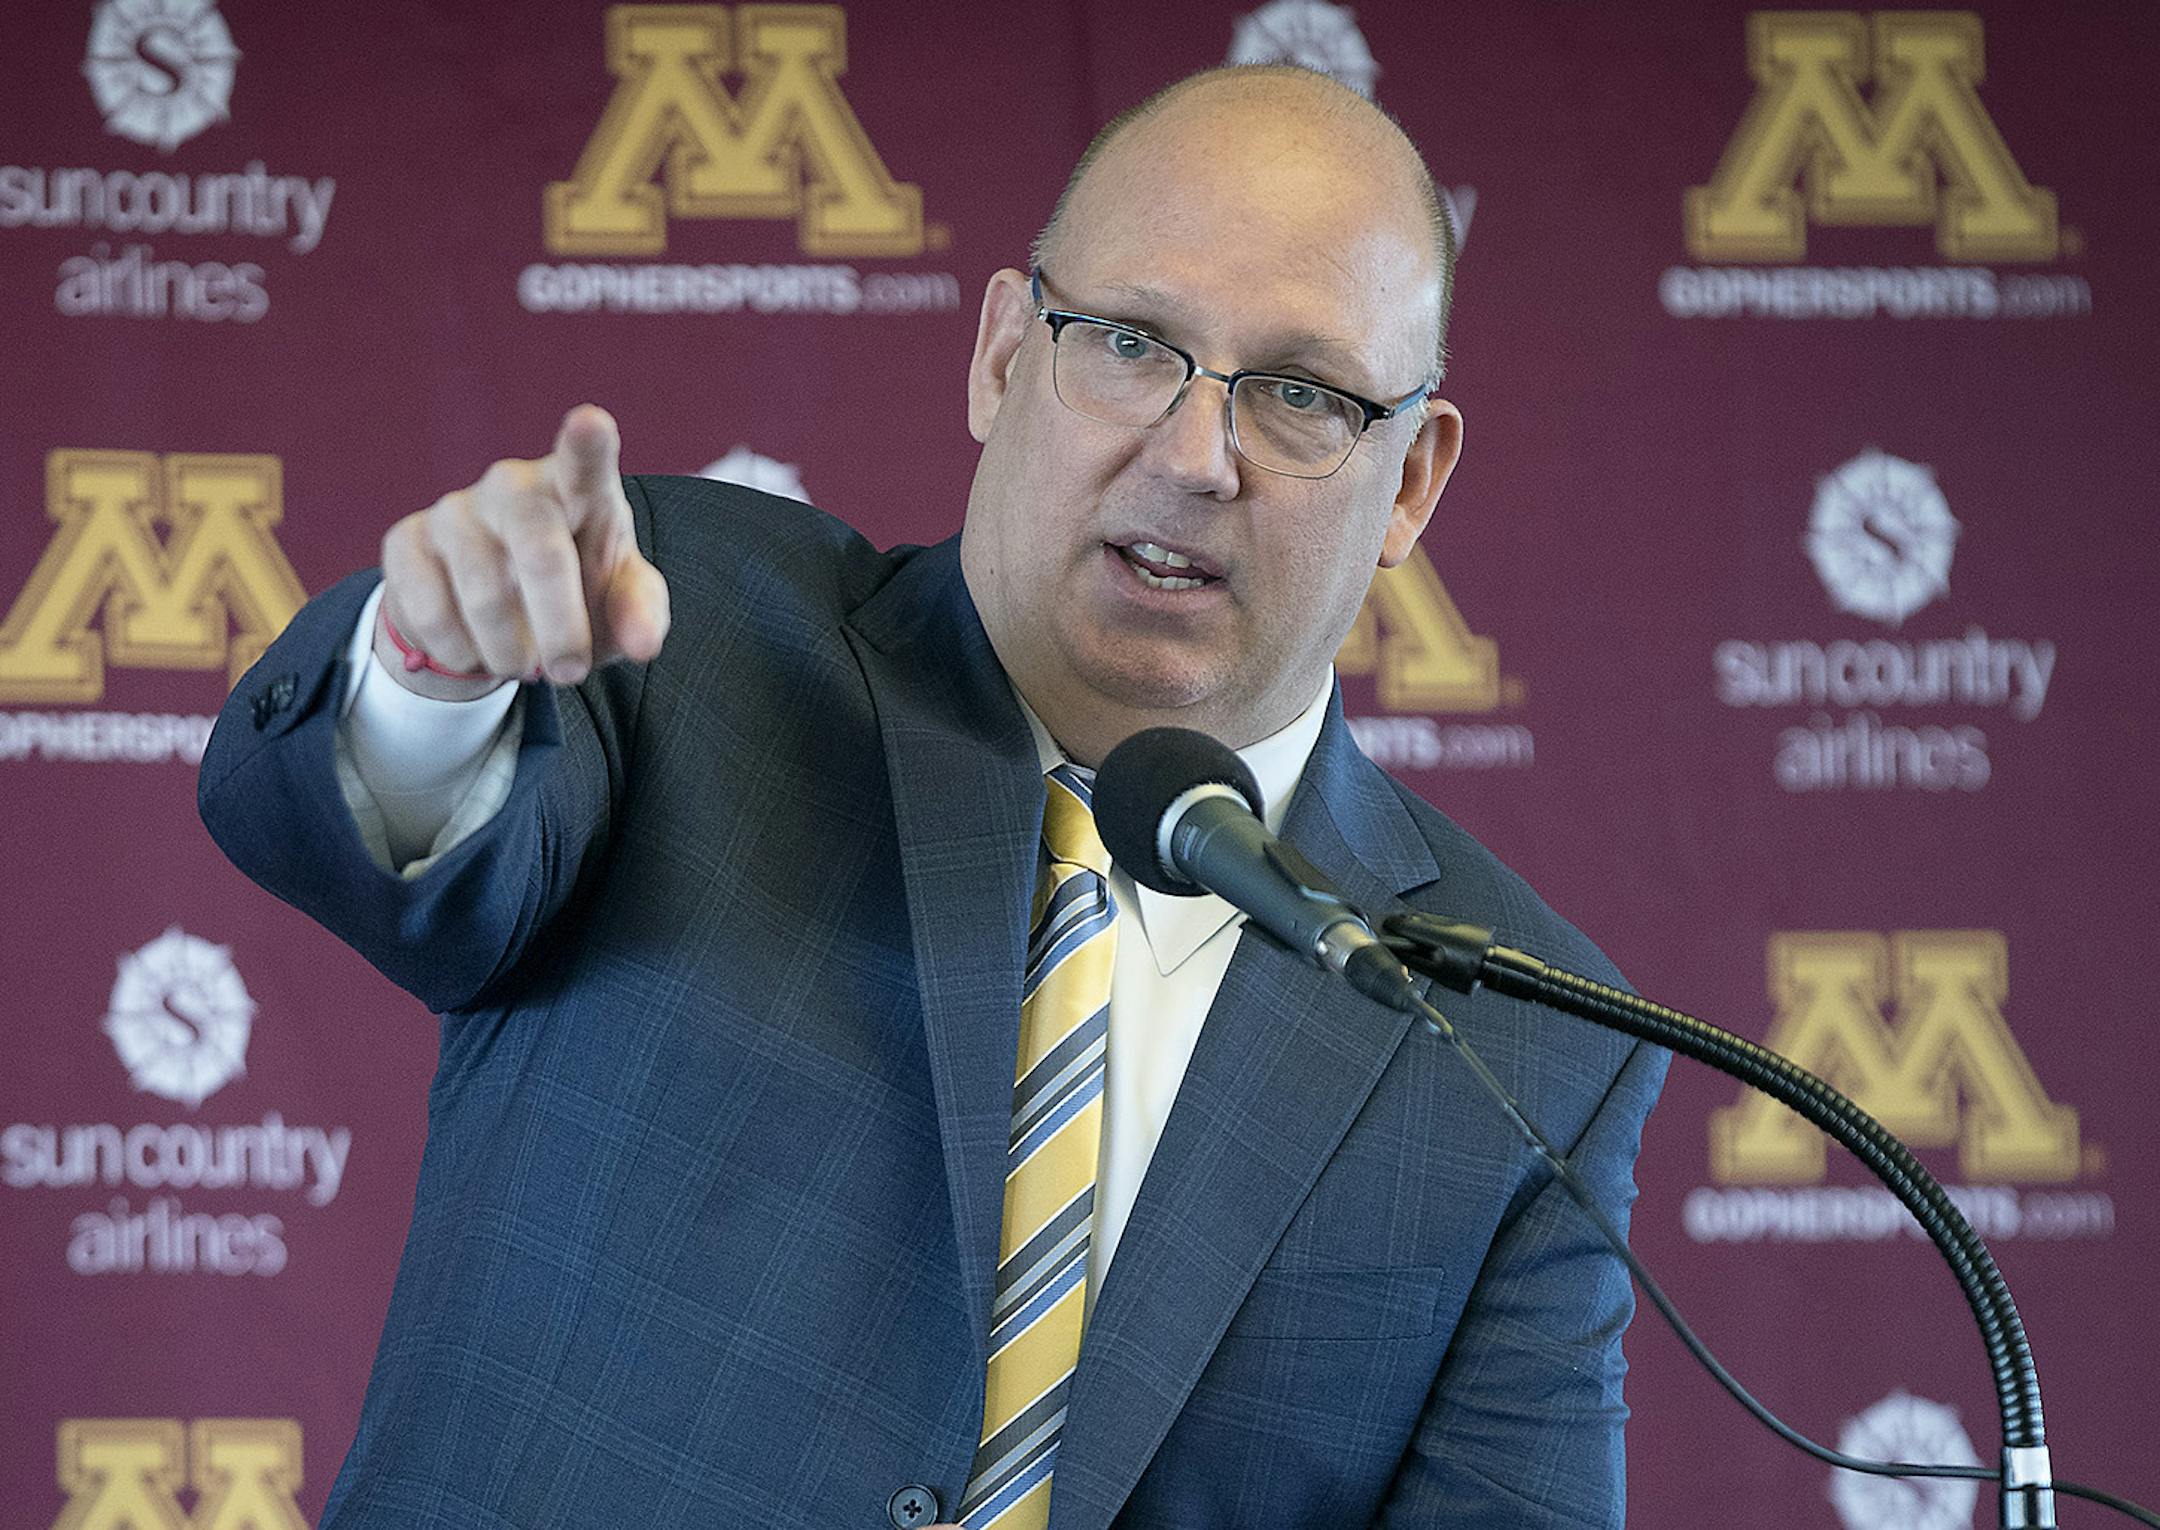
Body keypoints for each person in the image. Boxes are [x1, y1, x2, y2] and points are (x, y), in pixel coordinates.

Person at [201, 64, 1666, 1529]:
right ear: (1001, 355)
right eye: (1130, 342)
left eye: (1300, 394)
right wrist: (434, 677)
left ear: (1411, 478)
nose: (1194, 456)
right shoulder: (683, 634)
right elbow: (372, 840)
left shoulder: (1521, 1037)